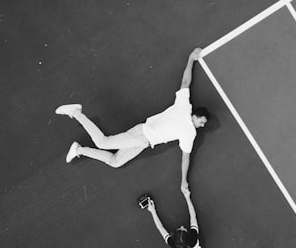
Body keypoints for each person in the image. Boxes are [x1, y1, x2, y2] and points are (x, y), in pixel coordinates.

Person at [54, 48, 207, 188]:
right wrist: (183, 180)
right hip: (141, 135)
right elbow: (185, 158)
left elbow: (185, 83)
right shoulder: (187, 120)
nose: (202, 125)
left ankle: (78, 149)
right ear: (195, 115)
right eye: (202, 122)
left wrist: (190, 59)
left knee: (115, 162)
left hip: (143, 141)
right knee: (102, 142)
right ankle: (76, 113)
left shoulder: (185, 110)